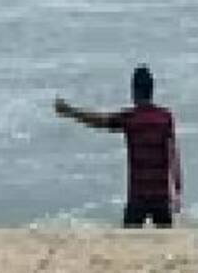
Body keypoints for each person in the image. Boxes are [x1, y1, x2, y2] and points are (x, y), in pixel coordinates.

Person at [53, 65, 182, 228]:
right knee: (165, 240)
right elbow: (173, 155)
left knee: (130, 237)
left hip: (138, 195)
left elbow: (99, 121)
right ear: (152, 90)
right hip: (161, 196)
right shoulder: (165, 118)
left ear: (134, 91)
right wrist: (177, 190)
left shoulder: (130, 119)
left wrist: (70, 111)